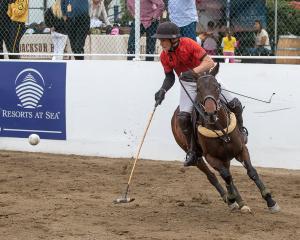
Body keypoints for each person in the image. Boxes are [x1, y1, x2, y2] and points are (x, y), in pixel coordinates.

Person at [153, 22, 248, 167]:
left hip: (206, 79)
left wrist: (192, 72)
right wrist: (162, 90)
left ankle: (241, 131)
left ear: (173, 39)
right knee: (183, 118)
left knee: (235, 103)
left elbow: (209, 62)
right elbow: (170, 77)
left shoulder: (189, 44)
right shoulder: (164, 56)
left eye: (163, 40)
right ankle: (192, 151)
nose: (161, 43)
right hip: (188, 85)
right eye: (160, 40)